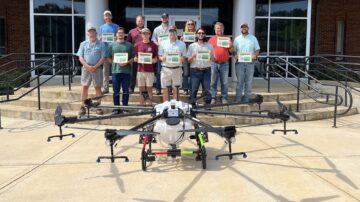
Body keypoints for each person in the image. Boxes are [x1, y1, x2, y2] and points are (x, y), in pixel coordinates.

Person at [77, 26, 107, 116]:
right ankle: (82, 106)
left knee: (97, 87)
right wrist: (88, 66)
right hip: (86, 69)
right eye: (90, 32)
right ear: (88, 33)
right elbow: (80, 57)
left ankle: (98, 106)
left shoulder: (101, 44)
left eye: (93, 32)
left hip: (97, 69)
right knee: (84, 87)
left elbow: (103, 58)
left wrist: (95, 66)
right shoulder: (83, 44)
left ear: (96, 33)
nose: (92, 34)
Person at [107, 27, 134, 114]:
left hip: (126, 71)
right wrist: (115, 62)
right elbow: (108, 57)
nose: (120, 34)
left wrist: (127, 62)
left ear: (124, 34)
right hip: (116, 71)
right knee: (116, 91)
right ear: (116, 35)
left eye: (122, 33)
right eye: (119, 33)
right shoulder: (112, 45)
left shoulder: (129, 45)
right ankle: (116, 108)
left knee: (126, 91)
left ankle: (125, 107)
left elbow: (133, 58)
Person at [158, 25, 187, 102]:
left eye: (174, 32)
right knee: (165, 89)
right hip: (165, 69)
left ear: (176, 33)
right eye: (170, 32)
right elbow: (160, 56)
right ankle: (166, 107)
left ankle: (176, 107)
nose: (172, 34)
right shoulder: (162, 43)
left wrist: (182, 58)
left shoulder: (182, 44)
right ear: (168, 33)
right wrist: (162, 58)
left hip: (177, 69)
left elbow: (184, 57)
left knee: (176, 89)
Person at [233, 22, 260, 102]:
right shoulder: (237, 39)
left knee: (248, 82)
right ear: (240, 29)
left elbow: (257, 49)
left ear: (248, 28)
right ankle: (238, 99)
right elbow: (234, 50)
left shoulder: (253, 38)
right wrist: (235, 55)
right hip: (240, 64)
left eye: (245, 27)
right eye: (242, 27)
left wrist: (255, 55)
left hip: (250, 63)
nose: (244, 28)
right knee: (239, 82)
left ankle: (247, 99)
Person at [187, 28, 215, 104]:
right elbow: (188, 60)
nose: (201, 34)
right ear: (196, 34)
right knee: (193, 90)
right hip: (195, 71)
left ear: (204, 34)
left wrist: (211, 56)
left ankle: (207, 107)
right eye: (199, 33)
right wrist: (192, 56)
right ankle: (192, 107)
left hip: (206, 71)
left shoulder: (209, 46)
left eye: (202, 33)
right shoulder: (192, 46)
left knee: (207, 90)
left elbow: (213, 59)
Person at [208, 22, 234, 104]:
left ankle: (224, 98)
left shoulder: (227, 38)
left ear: (223, 29)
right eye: (217, 28)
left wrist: (230, 46)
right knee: (213, 82)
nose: (219, 30)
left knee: (225, 82)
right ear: (215, 30)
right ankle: (213, 97)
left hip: (224, 64)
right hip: (213, 63)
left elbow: (232, 51)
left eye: (220, 28)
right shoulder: (211, 39)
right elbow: (208, 52)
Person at [134, 28, 158, 106]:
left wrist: (152, 60)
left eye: (147, 33)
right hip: (140, 71)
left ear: (149, 35)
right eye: (143, 33)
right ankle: (141, 105)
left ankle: (150, 106)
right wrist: (136, 59)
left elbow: (156, 59)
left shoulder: (153, 45)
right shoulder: (137, 44)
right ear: (141, 35)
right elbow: (135, 57)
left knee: (149, 89)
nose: (145, 35)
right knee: (141, 90)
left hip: (150, 71)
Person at [99, 10, 119, 94]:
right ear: (104, 18)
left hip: (114, 51)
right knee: (105, 71)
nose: (107, 17)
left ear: (111, 17)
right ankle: (105, 88)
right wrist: (100, 38)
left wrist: (115, 38)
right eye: (106, 16)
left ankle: (116, 88)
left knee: (116, 71)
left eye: (109, 16)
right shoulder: (101, 27)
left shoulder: (116, 26)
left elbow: (119, 37)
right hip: (106, 52)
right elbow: (100, 37)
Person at [151, 13, 170, 95]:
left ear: (168, 18)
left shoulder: (171, 28)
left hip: (169, 53)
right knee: (159, 71)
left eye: (166, 17)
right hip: (160, 53)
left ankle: (169, 89)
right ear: (161, 19)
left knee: (169, 70)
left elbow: (175, 38)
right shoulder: (156, 29)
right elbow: (153, 40)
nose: (164, 19)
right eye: (163, 17)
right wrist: (158, 44)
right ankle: (158, 89)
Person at [127, 15, 145, 94]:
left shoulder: (147, 31)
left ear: (143, 21)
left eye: (141, 21)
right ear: (136, 22)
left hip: (145, 55)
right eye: (138, 21)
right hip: (135, 55)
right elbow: (128, 44)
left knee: (144, 72)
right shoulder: (131, 31)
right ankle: (131, 87)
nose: (140, 22)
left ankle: (144, 89)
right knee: (133, 72)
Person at [180, 19, 196, 95]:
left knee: (192, 73)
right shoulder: (184, 35)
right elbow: (181, 47)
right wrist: (181, 40)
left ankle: (191, 89)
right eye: (189, 24)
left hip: (193, 57)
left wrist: (196, 39)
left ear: (194, 25)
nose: (190, 26)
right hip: (186, 57)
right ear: (187, 25)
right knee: (186, 73)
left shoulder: (197, 34)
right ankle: (185, 88)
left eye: (192, 24)